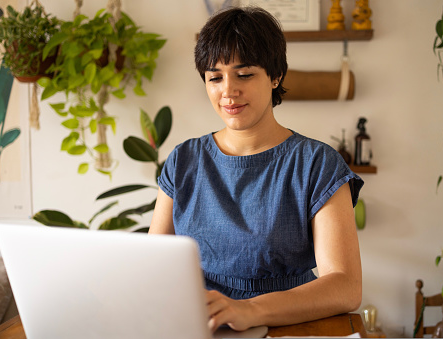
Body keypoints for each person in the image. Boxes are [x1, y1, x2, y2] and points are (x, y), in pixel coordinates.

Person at [149, 6, 364, 333]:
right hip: (202, 325)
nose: (228, 91)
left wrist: (250, 310)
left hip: (288, 327)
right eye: (215, 77)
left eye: (244, 74)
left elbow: (345, 286)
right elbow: (154, 264)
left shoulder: (317, 164)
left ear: (275, 76)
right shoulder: (183, 161)